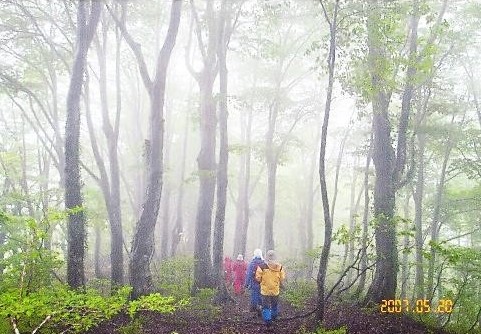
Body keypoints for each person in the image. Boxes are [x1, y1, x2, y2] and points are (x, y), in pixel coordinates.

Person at [255, 249, 286, 327]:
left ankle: (268, 320)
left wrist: (262, 281)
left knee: (265, 306)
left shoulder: (262, 266)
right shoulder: (279, 267)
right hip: (275, 289)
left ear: (266, 257)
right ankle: (274, 317)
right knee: (274, 304)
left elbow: (258, 277)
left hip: (265, 290)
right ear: (275, 257)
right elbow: (282, 278)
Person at [245, 248, 265, 314]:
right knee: (260, 295)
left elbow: (249, 274)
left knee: (254, 295)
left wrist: (246, 284)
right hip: (262, 282)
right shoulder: (264, 263)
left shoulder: (252, 263)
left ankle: (254, 308)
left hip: (254, 282)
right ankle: (261, 307)